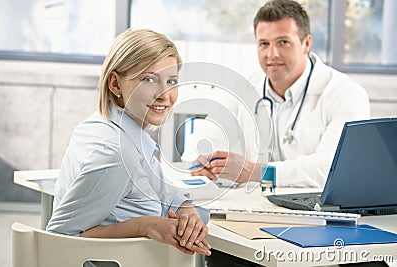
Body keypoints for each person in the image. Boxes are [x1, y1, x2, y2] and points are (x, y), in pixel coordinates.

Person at [190, 0, 370, 266]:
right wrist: (203, 162)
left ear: (306, 43)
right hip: (257, 219)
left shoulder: (345, 94)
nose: (272, 53)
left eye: (283, 42)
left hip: (323, 225)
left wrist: (258, 172)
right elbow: (203, 139)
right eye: (264, 44)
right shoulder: (245, 86)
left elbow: (330, 170)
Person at [46, 28, 211, 258]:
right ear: (115, 84)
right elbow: (58, 240)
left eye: (171, 81)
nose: (165, 94)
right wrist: (143, 226)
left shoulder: (121, 132)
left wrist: (184, 207)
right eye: (150, 79)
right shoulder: (117, 155)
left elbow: (158, 189)